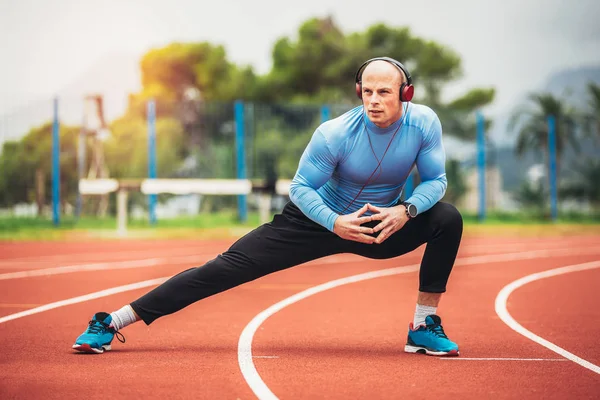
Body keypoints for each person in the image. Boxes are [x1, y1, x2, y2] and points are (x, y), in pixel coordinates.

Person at [73, 57, 463, 357]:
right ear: (359, 91)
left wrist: (406, 210)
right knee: (221, 269)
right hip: (315, 219)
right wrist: (334, 221)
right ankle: (112, 321)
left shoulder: (424, 124)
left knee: (447, 218)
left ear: (405, 94)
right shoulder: (334, 134)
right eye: (367, 93)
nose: (374, 101)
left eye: (384, 93)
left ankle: (422, 326)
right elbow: (301, 187)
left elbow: (436, 181)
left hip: (379, 222)